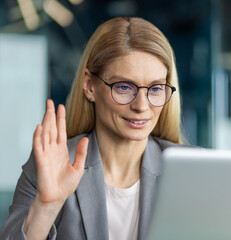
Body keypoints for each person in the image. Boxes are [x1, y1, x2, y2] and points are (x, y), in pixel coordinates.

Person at [0, 17, 185, 240]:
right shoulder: (52, 165)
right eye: (124, 87)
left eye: (155, 89)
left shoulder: (193, 171)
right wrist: (47, 206)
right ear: (89, 86)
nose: (141, 106)